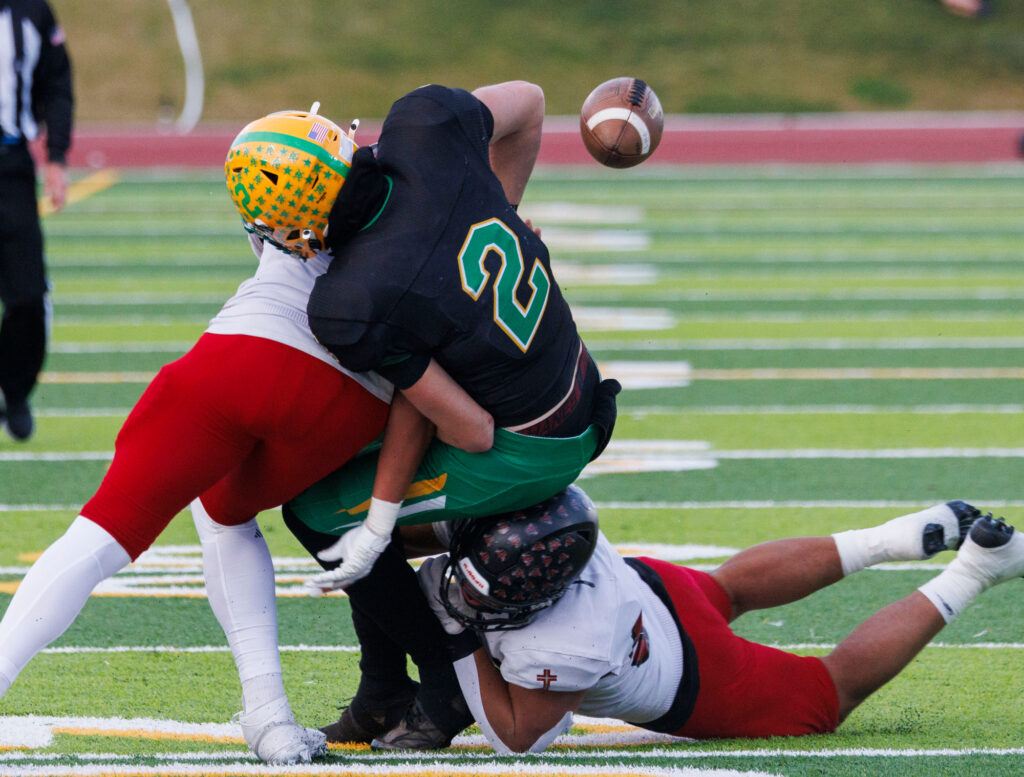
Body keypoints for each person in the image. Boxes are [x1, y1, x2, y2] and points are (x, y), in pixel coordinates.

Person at [0, 107, 492, 765]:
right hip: (350, 401)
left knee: (101, 536)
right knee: (227, 509)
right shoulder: (413, 185)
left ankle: (268, 709)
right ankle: (292, 712)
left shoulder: (285, 228)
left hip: (233, 365)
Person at [277, 81, 619, 745]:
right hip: (575, 377)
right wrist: (508, 210)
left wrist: (378, 521)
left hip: (534, 442)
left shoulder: (351, 297)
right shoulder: (423, 123)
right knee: (356, 494)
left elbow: (469, 427)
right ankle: (381, 687)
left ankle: (441, 678)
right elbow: (530, 99)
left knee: (317, 511)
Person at [365, 488, 1021, 752]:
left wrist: (451, 631)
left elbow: (516, 733)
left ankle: (977, 568)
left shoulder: (567, 645)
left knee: (827, 693)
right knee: (725, 586)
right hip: (656, 589)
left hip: (695, 678)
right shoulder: (544, 514)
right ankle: (893, 537)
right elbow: (416, 531)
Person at [0, 0, 73, 441]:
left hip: (10, 166)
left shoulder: (31, 10)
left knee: (28, 295)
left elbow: (57, 81)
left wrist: (58, 157)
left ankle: (14, 387)